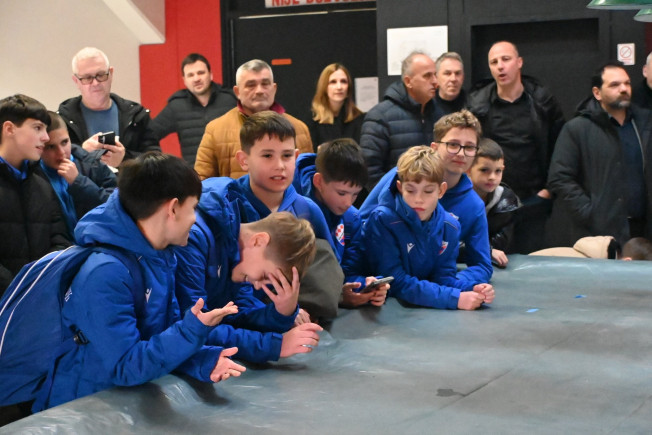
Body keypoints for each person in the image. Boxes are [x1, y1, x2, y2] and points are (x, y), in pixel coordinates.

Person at [34, 152, 247, 412]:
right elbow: (125, 366)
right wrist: (191, 331)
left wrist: (203, 360)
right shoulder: (105, 273)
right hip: (81, 410)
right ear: (173, 208)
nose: (194, 219)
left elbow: (157, 337)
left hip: (122, 404)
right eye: (193, 208)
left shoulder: (159, 256)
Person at [361, 110, 493, 285]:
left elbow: (482, 265)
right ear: (435, 147)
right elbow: (361, 226)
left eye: (469, 147)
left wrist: (453, 284)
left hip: (431, 287)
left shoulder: (474, 206)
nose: (461, 153)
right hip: (384, 280)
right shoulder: (402, 176)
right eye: (453, 144)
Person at [361, 146, 494, 310]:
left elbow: (443, 278)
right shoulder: (383, 220)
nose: (418, 199)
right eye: (410, 190)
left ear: (441, 190)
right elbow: (395, 281)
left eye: (428, 191)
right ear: (400, 187)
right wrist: (454, 299)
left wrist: (471, 288)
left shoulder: (450, 226)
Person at [467, 41, 565, 254]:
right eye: (494, 62)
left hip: (534, 197)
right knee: (495, 259)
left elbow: (560, 147)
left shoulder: (542, 101)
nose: (500, 66)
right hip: (492, 199)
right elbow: (468, 150)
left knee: (533, 260)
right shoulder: (477, 105)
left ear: (519, 62)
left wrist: (548, 190)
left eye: (506, 59)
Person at [547, 62, 652, 247]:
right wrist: (589, 212)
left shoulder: (645, 123)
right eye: (614, 85)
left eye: (627, 83)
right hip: (600, 232)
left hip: (644, 229)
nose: (623, 89)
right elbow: (560, 177)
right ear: (597, 93)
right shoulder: (578, 128)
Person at [293, 138, 388, 308]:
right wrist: (339, 295)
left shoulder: (352, 218)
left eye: (355, 194)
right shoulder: (291, 207)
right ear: (318, 181)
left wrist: (364, 285)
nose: (348, 203)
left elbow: (349, 271)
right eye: (341, 193)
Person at [194, 59, 312, 180]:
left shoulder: (299, 129)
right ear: (237, 92)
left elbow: (307, 182)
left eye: (265, 84)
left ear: (274, 88)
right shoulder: (215, 130)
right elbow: (201, 183)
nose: (259, 91)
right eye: (251, 85)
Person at [0, 95, 71, 295]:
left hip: (41, 298)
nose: (46, 137)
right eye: (37, 128)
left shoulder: (41, 182)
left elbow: (60, 239)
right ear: (9, 129)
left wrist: (42, 285)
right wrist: (17, 292)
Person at [58, 47, 160, 168]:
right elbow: (52, 163)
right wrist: (81, 152)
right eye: (87, 78)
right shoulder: (62, 119)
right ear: (76, 81)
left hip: (127, 180)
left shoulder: (136, 115)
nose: (95, 83)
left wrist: (124, 159)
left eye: (101, 75)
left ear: (111, 73)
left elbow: (157, 162)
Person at [360, 51, 439, 190]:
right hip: (394, 199)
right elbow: (370, 171)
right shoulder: (380, 117)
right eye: (427, 76)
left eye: (435, 75)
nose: (435, 82)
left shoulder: (439, 114)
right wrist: (395, 198)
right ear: (408, 81)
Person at [150, 53, 237, 165]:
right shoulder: (176, 106)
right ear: (184, 80)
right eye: (190, 75)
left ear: (211, 75)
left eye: (201, 73)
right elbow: (148, 135)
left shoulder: (231, 100)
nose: (196, 79)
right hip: (195, 173)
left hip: (230, 171)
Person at [40, 111, 116, 238]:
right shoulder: (32, 173)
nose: (61, 153)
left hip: (98, 242)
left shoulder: (92, 164)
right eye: (51, 147)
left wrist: (78, 182)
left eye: (64, 142)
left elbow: (116, 207)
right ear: (39, 146)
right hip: (59, 247)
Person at [467, 138, 521, 268]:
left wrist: (489, 250)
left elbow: (502, 243)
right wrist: (488, 251)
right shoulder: (455, 198)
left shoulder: (506, 200)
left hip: (491, 265)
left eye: (498, 171)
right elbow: (449, 244)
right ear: (468, 169)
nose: (492, 177)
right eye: (484, 170)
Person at [308, 63, 365, 149]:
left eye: (343, 81)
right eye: (333, 82)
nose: (339, 87)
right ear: (324, 86)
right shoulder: (313, 120)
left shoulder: (360, 118)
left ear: (349, 87)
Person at [434, 52, 467, 119]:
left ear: (463, 77)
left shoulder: (473, 105)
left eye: (457, 73)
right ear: (436, 77)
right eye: (447, 73)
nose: (453, 79)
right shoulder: (427, 107)